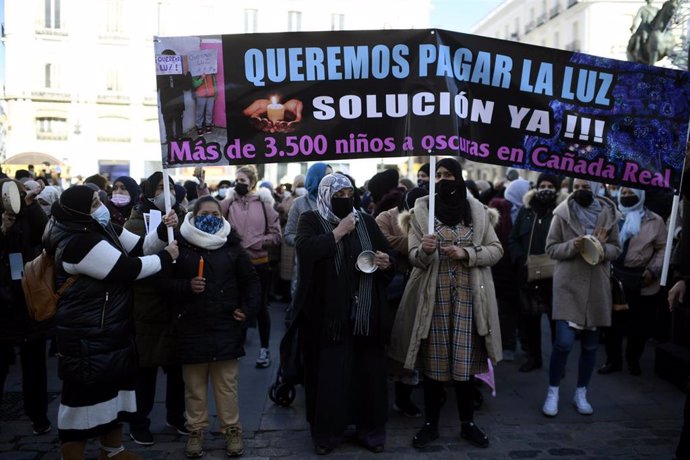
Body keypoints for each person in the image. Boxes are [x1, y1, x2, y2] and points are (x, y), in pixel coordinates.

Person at [43, 185, 179, 459]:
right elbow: (127, 269)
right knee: (80, 403)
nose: (100, 206)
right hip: (87, 335)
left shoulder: (99, 229)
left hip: (109, 331)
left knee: (112, 396)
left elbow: (141, 247)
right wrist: (167, 257)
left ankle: (113, 450)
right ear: (79, 210)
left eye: (98, 200)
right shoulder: (77, 242)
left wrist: (164, 231)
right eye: (94, 203)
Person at [390, 158, 503, 449]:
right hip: (434, 299)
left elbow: (496, 250)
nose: (442, 180)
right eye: (437, 175)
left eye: (448, 174)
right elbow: (414, 257)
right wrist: (425, 251)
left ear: (459, 177)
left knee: (464, 367)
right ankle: (431, 424)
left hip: (469, 299)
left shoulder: (477, 210)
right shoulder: (422, 210)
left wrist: (468, 254)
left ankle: (468, 424)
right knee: (434, 368)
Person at [294, 173, 395, 454]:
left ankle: (370, 430)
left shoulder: (366, 221)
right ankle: (327, 433)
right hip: (328, 316)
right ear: (326, 195)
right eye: (337, 195)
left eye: (348, 194)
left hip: (365, 313)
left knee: (369, 376)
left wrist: (387, 262)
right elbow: (305, 250)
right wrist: (337, 233)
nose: (344, 200)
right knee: (329, 377)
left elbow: (387, 255)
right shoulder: (312, 220)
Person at [160, 196, 261, 458]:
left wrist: (247, 310)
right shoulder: (178, 246)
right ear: (193, 216)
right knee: (193, 387)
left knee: (226, 386)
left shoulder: (233, 247)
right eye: (205, 213)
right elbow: (162, 285)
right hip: (190, 327)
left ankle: (232, 430)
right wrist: (186, 286)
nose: (211, 218)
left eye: (216, 214)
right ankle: (196, 431)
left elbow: (251, 282)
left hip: (225, 326)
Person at [542, 179, 621, 417]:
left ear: (596, 189)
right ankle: (553, 391)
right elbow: (551, 248)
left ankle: (581, 392)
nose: (580, 192)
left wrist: (600, 248)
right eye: (576, 188)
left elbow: (617, 249)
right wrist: (573, 245)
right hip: (568, 286)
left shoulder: (609, 216)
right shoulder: (562, 214)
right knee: (564, 342)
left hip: (597, 288)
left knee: (590, 345)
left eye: (586, 188)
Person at [124, 172, 188, 445]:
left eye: (170, 187)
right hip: (148, 303)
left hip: (178, 301)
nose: (166, 192)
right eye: (161, 187)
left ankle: (177, 416)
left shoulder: (183, 217)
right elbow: (138, 255)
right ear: (149, 192)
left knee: (177, 369)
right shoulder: (136, 220)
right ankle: (139, 422)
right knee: (146, 369)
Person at [0, 178, 51, 436]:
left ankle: (38, 416)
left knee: (34, 365)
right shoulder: (4, 223)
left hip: (29, 297)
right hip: (5, 302)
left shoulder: (28, 215)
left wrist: (31, 205)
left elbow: (46, 235)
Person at [599, 188, 666, 375]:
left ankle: (633, 360)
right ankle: (612, 360)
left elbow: (662, 248)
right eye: (624, 192)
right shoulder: (612, 216)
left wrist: (652, 271)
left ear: (642, 195)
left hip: (643, 280)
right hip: (614, 278)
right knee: (612, 323)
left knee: (639, 325)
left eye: (632, 192)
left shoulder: (655, 220)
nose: (627, 195)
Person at [221, 165, 281, 368]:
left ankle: (264, 350)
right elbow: (208, 211)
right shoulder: (228, 204)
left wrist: (259, 242)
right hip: (234, 263)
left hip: (259, 264)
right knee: (235, 304)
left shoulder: (265, 206)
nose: (238, 184)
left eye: (243, 181)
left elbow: (277, 236)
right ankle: (234, 348)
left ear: (252, 183)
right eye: (236, 181)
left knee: (260, 307)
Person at [508, 173, 563, 372]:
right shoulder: (526, 211)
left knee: (557, 324)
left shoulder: (561, 212)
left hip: (555, 276)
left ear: (556, 189)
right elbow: (513, 239)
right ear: (536, 187)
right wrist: (520, 258)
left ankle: (558, 362)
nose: (546, 189)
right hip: (529, 274)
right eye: (542, 185)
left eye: (550, 186)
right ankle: (534, 358)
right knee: (530, 322)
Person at [157, 49, 192, 142]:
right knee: (170, 130)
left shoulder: (180, 72)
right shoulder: (159, 74)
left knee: (177, 127)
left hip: (177, 105)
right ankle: (172, 145)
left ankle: (177, 143)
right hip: (167, 105)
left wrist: (187, 73)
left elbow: (187, 87)